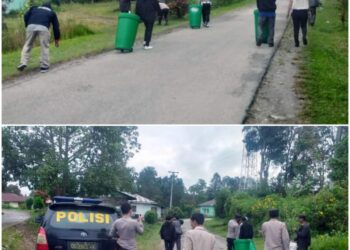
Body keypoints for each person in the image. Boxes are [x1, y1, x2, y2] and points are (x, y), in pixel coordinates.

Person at [17, 2, 60, 73]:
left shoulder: (33, 8)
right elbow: (56, 27)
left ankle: (23, 62)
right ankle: (44, 66)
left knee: (27, 45)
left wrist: (27, 25)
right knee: (44, 46)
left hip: (30, 26)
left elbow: (25, 15)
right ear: (50, 8)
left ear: (41, 6)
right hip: (43, 28)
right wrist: (57, 39)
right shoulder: (52, 12)